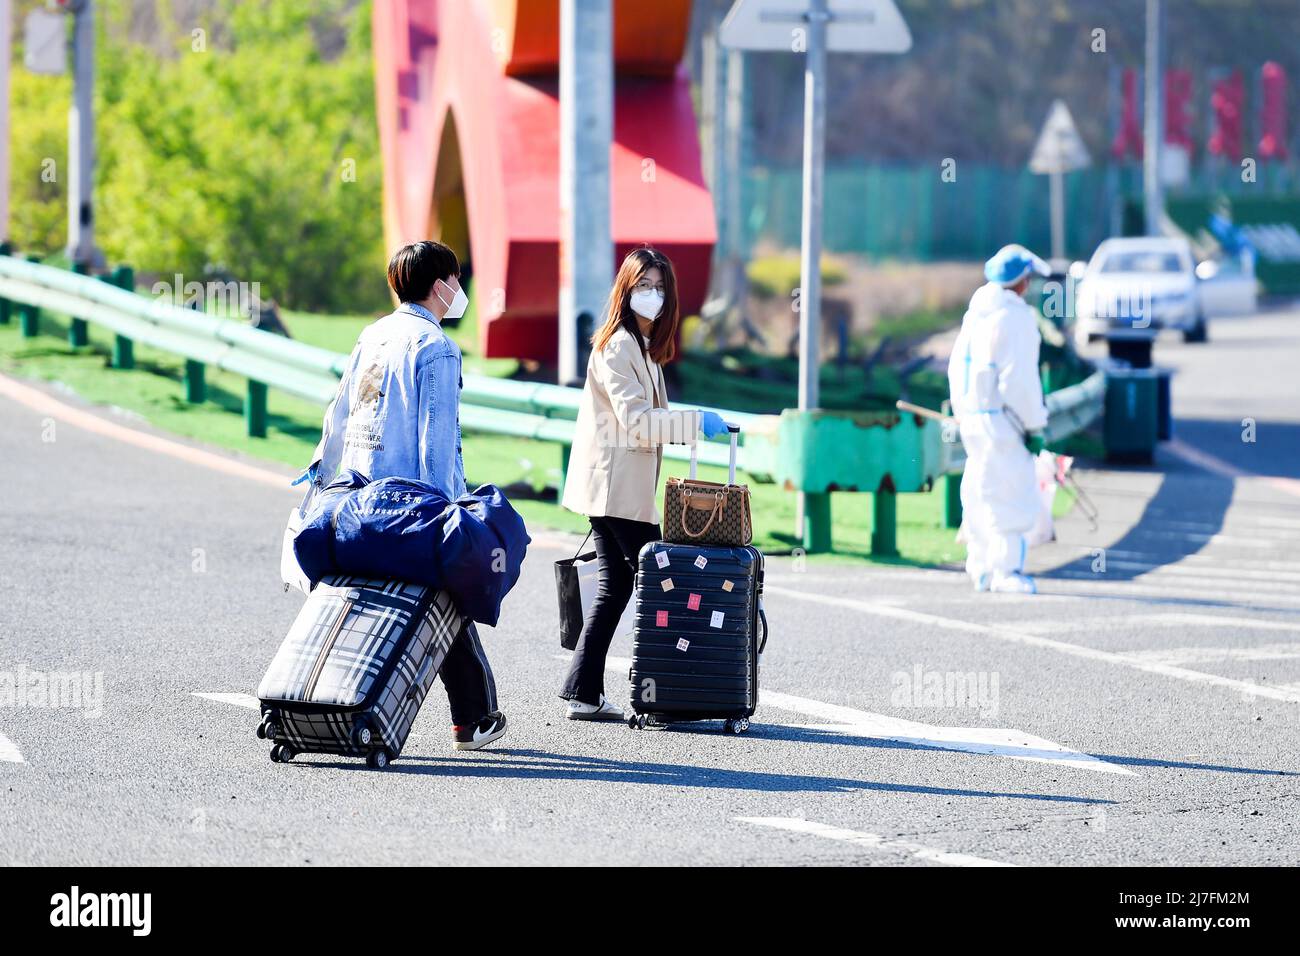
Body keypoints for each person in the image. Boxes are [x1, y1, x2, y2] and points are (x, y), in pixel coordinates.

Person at [304, 240, 507, 750]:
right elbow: (436, 437)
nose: (460, 291)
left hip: (356, 496)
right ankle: (473, 718)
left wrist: (322, 480)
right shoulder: (435, 346)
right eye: (457, 281)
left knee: (368, 600)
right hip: (407, 503)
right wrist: (445, 511)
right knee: (447, 595)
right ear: (440, 286)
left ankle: (329, 699)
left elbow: (341, 411)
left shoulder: (374, 334)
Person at [559, 247, 728, 719]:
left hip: (620, 488)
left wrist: (687, 423)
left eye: (658, 287)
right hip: (614, 489)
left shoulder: (643, 346)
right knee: (665, 583)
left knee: (618, 587)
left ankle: (584, 693)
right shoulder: (618, 345)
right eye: (642, 286)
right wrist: (696, 423)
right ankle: (668, 693)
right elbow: (636, 421)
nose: (651, 295)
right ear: (625, 290)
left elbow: (646, 418)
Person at [947, 244, 1051, 595]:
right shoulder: (1016, 318)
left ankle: (980, 567)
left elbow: (956, 368)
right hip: (1005, 424)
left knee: (980, 490)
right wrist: (1035, 425)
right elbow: (1020, 381)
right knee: (1011, 494)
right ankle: (1008, 570)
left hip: (974, 420)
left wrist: (964, 414)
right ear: (1021, 281)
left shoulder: (976, 313)